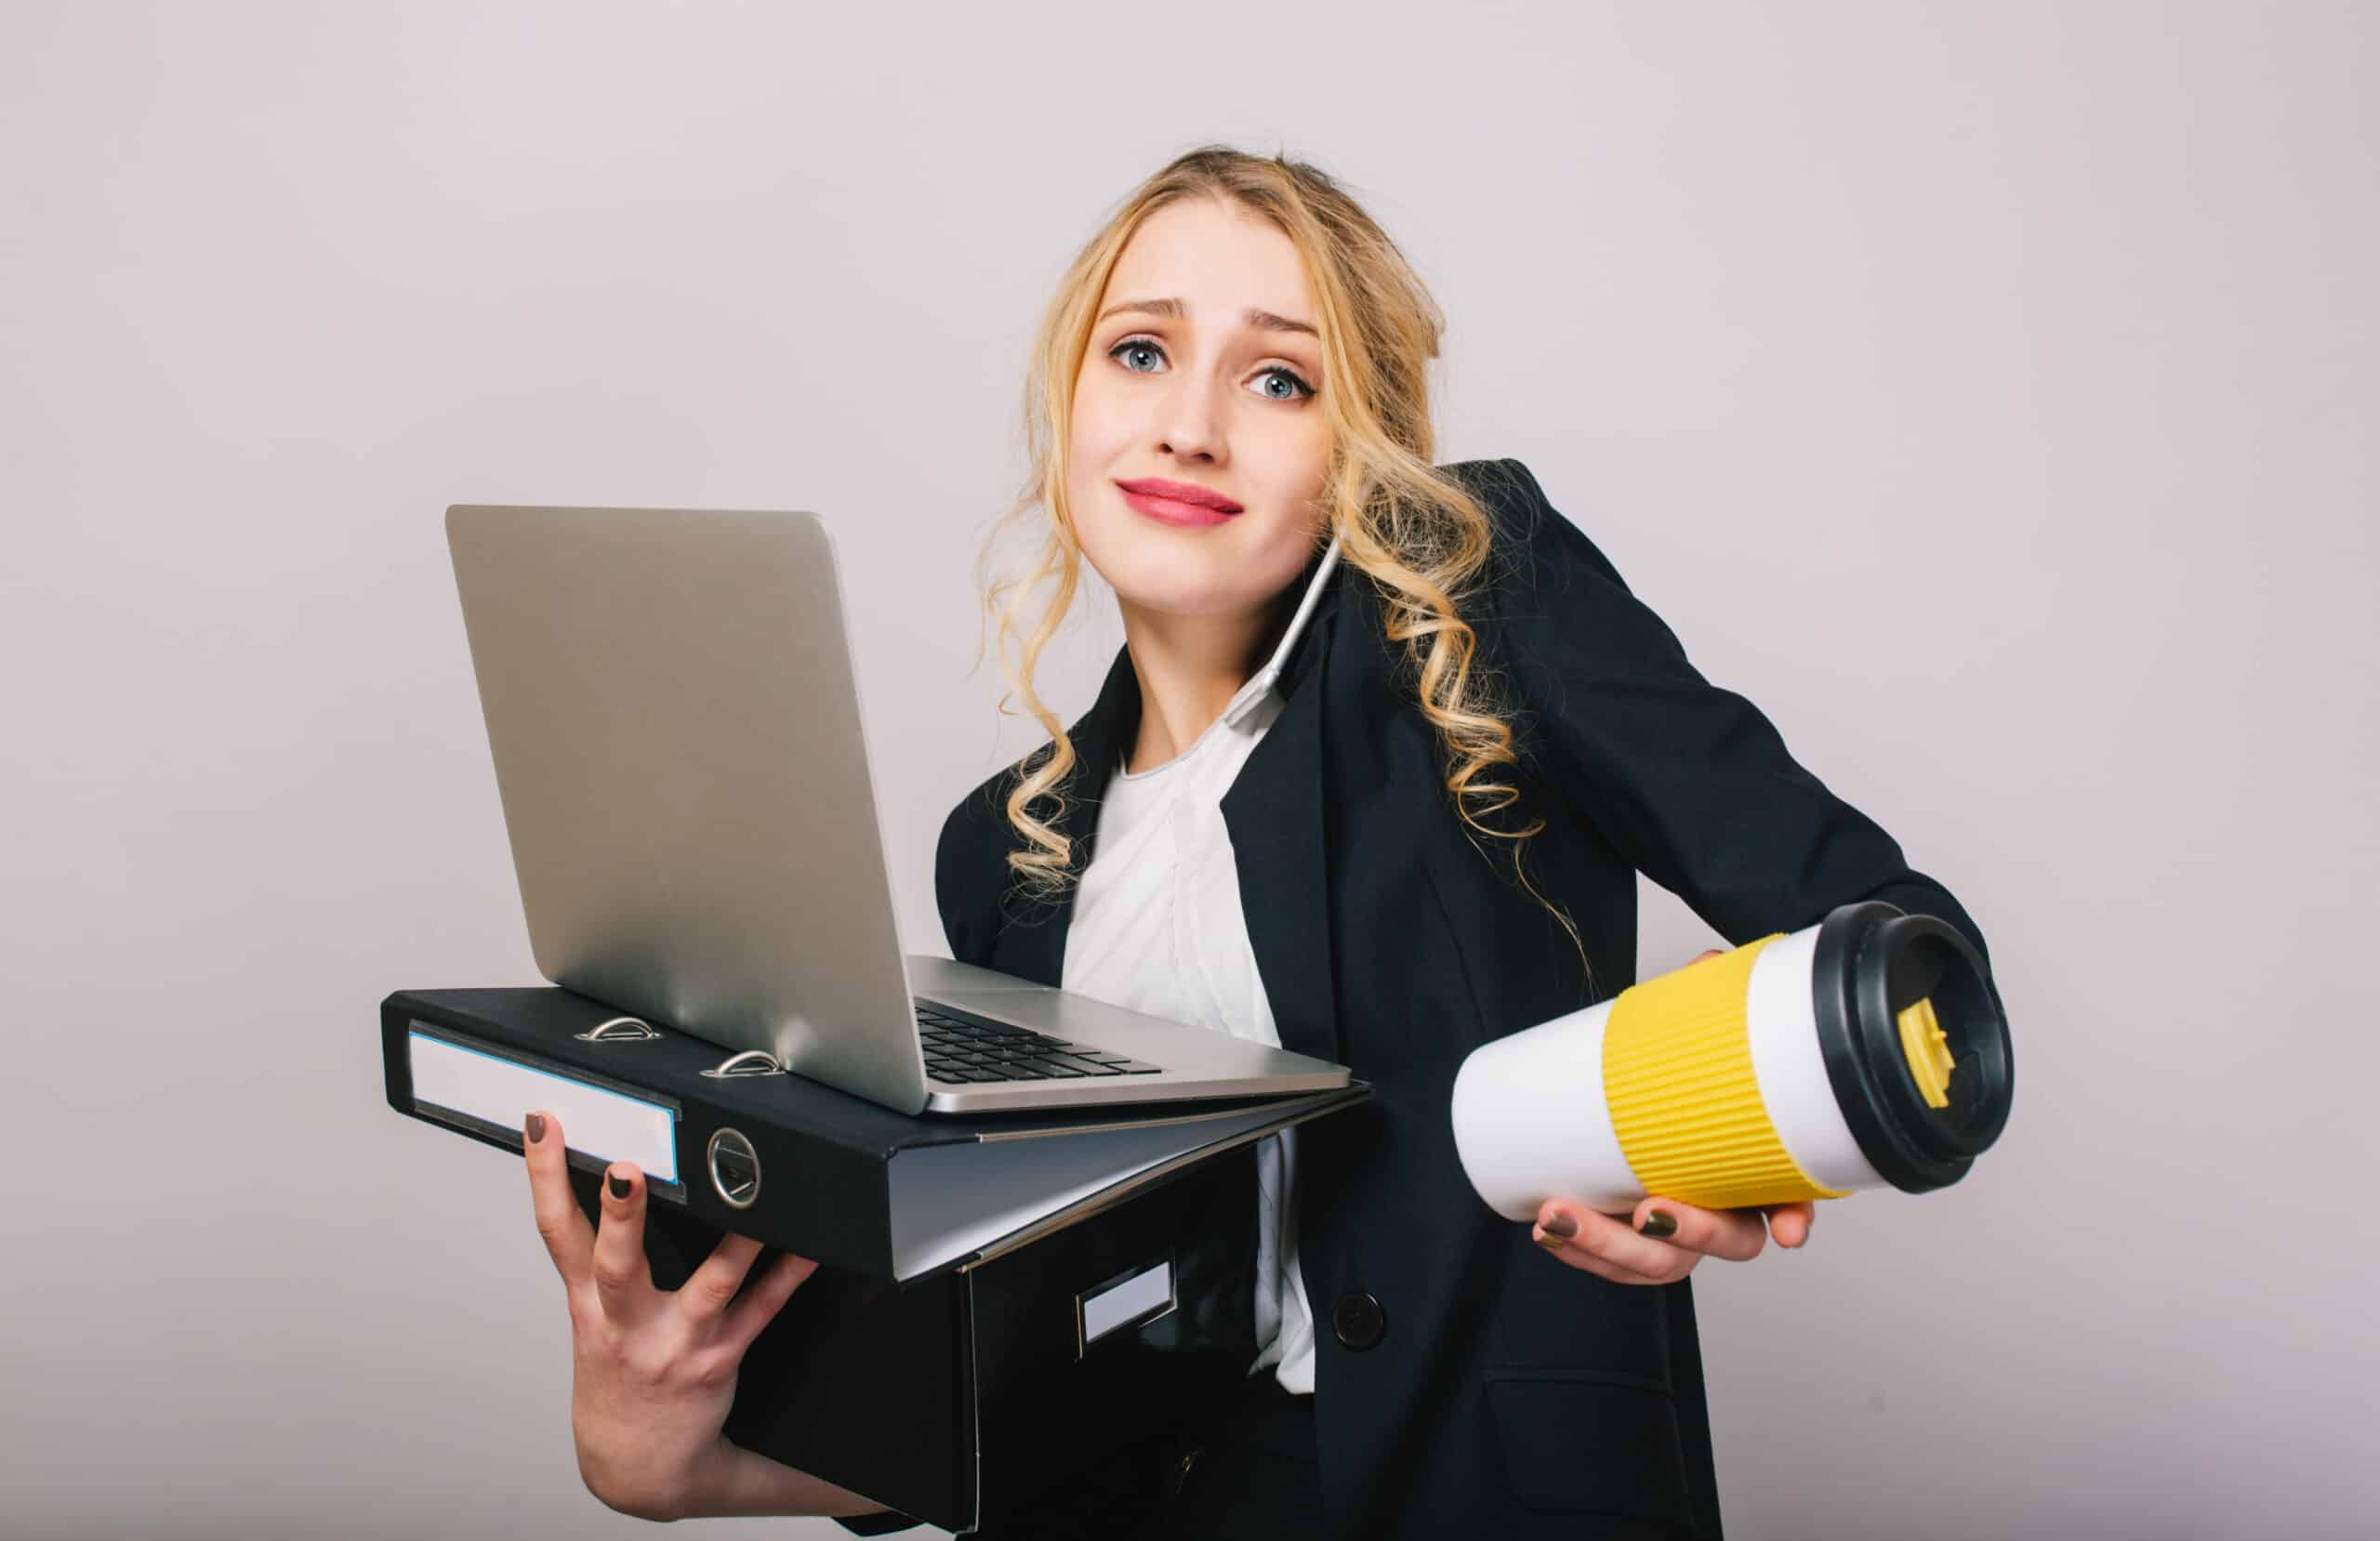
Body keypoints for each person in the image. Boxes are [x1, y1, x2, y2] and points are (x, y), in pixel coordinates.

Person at [517, 145, 1996, 1538]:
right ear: (1070, 398)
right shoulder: (1003, 849)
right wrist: (678, 1455)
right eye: (1141, 351)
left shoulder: (1475, 616)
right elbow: (1021, 1370)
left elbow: (1893, 940)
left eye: (1278, 378)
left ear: (1361, 446)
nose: (1188, 424)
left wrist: (1728, 1145)